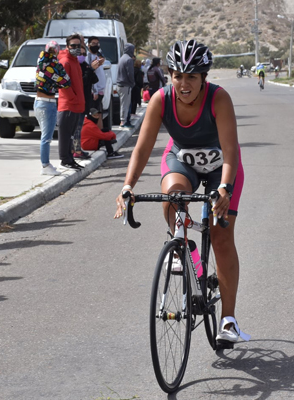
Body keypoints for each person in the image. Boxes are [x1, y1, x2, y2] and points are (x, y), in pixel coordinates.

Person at [113, 39, 248, 345]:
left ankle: (228, 320)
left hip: (220, 167)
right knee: (173, 193)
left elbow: (230, 152)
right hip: (182, 159)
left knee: (221, 235)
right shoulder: (161, 100)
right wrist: (127, 186)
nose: (184, 84)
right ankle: (182, 244)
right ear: (170, 76)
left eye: (191, 77)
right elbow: (143, 147)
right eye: (178, 76)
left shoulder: (219, 99)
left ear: (204, 78)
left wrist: (225, 188)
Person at [35, 40, 70, 175]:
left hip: (38, 101)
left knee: (45, 136)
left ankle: (46, 164)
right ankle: (45, 165)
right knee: (46, 137)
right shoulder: (56, 65)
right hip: (47, 103)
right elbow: (67, 82)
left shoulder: (40, 62)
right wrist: (58, 83)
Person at [57, 33, 86, 170]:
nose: (76, 48)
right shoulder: (65, 62)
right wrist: (73, 99)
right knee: (65, 135)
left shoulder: (75, 61)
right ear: (67, 47)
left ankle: (70, 159)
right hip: (68, 106)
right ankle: (65, 160)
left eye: (78, 46)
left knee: (71, 136)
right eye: (73, 46)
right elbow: (63, 85)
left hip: (76, 105)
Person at [75, 45, 100, 160]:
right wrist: (90, 70)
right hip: (78, 100)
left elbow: (95, 80)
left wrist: (92, 68)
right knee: (77, 127)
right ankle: (76, 150)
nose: (82, 56)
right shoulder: (76, 66)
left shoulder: (85, 65)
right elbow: (82, 82)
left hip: (86, 100)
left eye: (84, 54)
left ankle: (78, 149)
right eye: (80, 54)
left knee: (80, 125)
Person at [86, 36, 106, 116]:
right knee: (94, 115)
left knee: (99, 114)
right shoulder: (89, 56)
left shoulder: (98, 56)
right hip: (95, 92)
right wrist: (95, 91)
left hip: (101, 90)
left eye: (97, 43)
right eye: (93, 43)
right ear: (89, 45)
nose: (96, 45)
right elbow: (91, 75)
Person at [116, 43, 135, 128]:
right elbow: (130, 73)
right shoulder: (129, 59)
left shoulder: (122, 58)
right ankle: (123, 122)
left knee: (123, 103)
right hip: (126, 85)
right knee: (125, 104)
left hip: (120, 84)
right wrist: (132, 82)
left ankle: (124, 120)